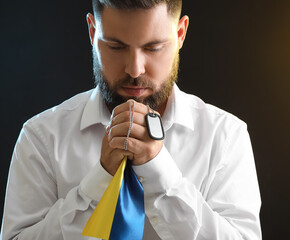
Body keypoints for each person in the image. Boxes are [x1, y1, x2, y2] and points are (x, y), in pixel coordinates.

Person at [1, 0, 262, 239]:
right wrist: (98, 182)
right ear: (93, 32)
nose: (134, 69)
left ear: (180, 34)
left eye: (153, 47)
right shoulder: (41, 137)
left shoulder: (226, 137)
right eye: (116, 47)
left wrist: (159, 171)